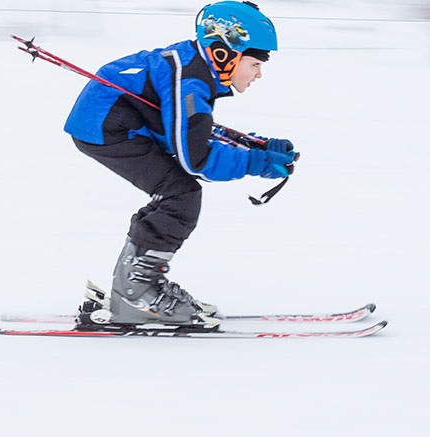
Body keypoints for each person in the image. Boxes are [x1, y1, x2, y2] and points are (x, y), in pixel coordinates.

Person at [64, 1, 298, 327]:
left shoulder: (194, 70)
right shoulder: (191, 81)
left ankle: (136, 288)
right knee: (181, 194)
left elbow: (193, 133)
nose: (259, 74)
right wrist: (255, 162)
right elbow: (197, 159)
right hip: (107, 129)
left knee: (177, 193)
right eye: (255, 63)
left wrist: (253, 146)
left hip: (121, 124)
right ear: (224, 54)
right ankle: (137, 294)